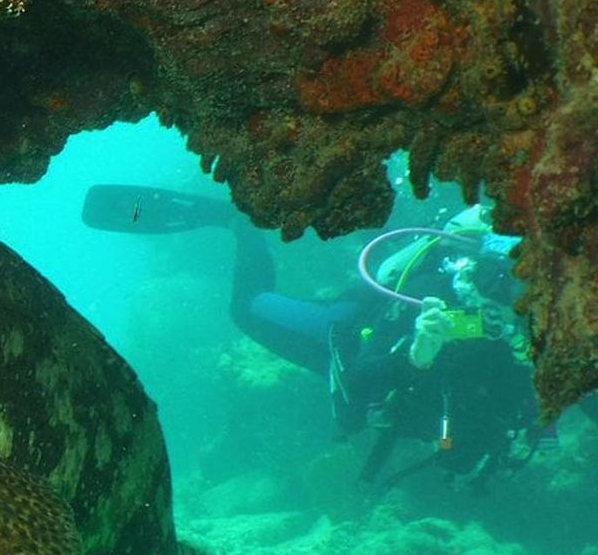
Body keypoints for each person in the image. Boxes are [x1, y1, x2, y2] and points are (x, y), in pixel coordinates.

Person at [82, 186, 548, 488]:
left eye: (526, 283)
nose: (514, 297)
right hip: (346, 331)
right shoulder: (433, 299)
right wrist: (416, 356)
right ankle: (237, 222)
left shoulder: (543, 329)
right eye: (507, 281)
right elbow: (358, 385)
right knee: (248, 308)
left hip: (423, 402)